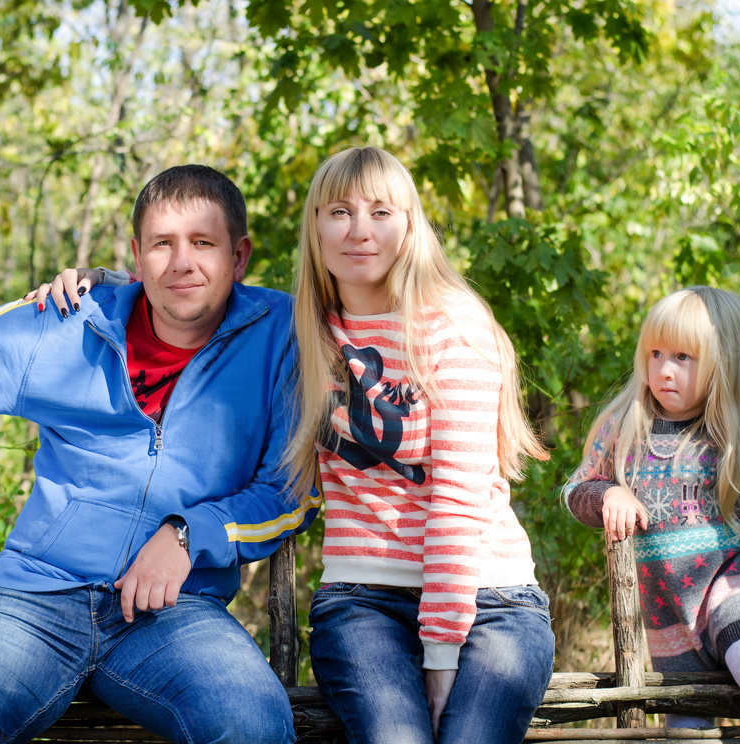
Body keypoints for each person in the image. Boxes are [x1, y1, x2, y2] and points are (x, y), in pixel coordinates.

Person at [42, 146, 557, 744]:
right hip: (363, 602)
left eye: (380, 212)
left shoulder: (453, 326)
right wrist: (97, 287)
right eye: (338, 211)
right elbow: (191, 291)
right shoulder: (302, 329)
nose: (359, 230)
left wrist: (440, 654)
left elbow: (457, 503)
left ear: (410, 226)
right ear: (315, 226)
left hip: (492, 596)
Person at [0, 164, 320, 744]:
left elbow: (288, 490)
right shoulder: (69, 321)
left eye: (204, 242)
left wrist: (189, 534)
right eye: (162, 244)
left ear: (240, 256)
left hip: (174, 614)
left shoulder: (282, 334)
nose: (182, 261)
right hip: (30, 602)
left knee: (253, 726)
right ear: (136, 254)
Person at [564, 285, 740, 729]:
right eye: (656, 353)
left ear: (720, 364)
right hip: (665, 614)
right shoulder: (624, 428)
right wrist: (609, 493)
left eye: (683, 357)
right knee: (686, 731)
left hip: (726, 590)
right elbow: (575, 490)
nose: (664, 370)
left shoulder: (729, 439)